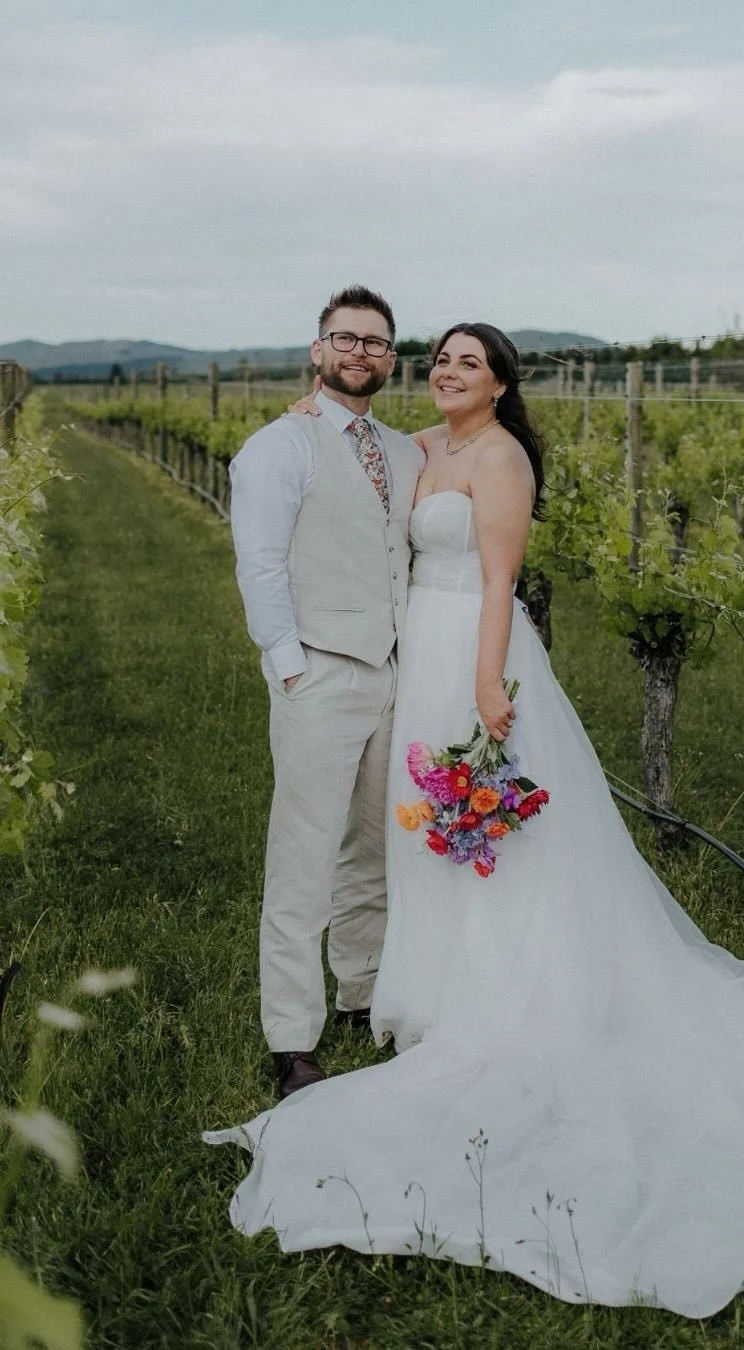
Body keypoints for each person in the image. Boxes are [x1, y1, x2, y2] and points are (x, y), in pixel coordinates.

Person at [207, 324, 744, 1318]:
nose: (449, 371)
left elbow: (499, 581)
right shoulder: (421, 445)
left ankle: (496, 993)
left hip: (470, 652)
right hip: (408, 656)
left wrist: (486, 689)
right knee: (428, 837)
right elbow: (356, 443)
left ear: (503, 384)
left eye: (470, 362)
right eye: (444, 358)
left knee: (499, 844)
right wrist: (307, 416)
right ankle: (426, 986)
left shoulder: (500, 457)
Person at [228, 284, 425, 1099]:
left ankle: (361, 989)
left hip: (394, 671)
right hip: (319, 668)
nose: (361, 353)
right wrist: (288, 662)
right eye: (346, 339)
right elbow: (261, 561)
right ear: (319, 351)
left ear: (389, 358)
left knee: (376, 846)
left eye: (377, 342)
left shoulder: (407, 452)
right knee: (303, 855)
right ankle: (290, 1037)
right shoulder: (281, 446)